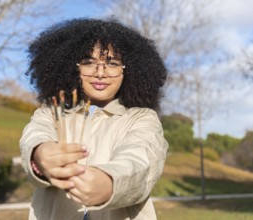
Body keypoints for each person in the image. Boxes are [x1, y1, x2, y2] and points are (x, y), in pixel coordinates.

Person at [20, 18, 168, 220]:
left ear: (129, 70)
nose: (100, 73)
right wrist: (40, 154)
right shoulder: (52, 113)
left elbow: (140, 162)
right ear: (73, 67)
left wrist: (108, 183)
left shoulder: (142, 119)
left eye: (112, 63)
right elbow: (35, 136)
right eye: (89, 62)